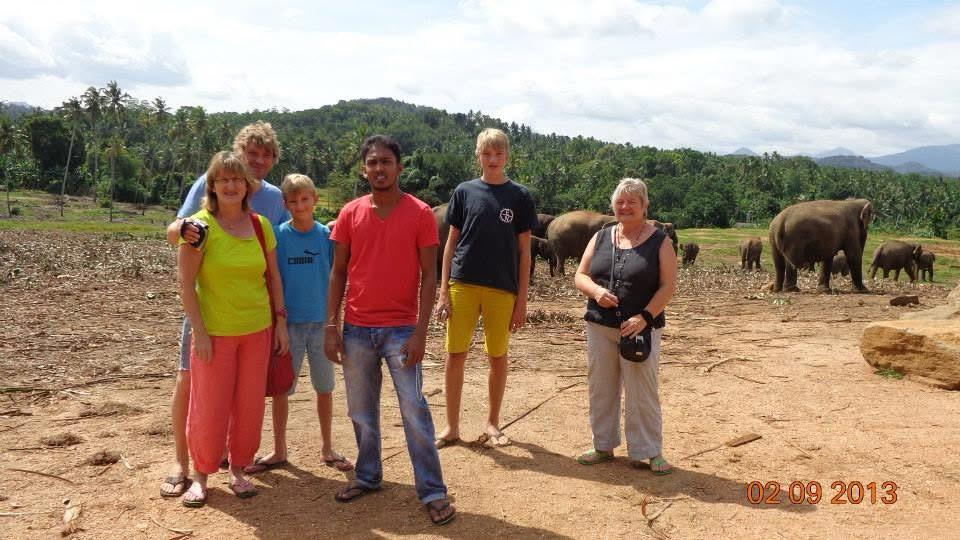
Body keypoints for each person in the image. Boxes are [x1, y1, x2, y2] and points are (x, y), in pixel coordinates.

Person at [324, 135, 455, 526]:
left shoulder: (419, 214)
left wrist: (420, 333)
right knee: (360, 411)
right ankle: (367, 476)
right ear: (364, 169)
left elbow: (429, 276)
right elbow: (338, 272)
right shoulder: (350, 213)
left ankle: (432, 491)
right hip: (357, 329)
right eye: (372, 162)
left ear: (399, 167)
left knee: (415, 410)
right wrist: (331, 325)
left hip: (401, 330)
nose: (379, 168)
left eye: (386, 161)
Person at [160, 121, 289, 498]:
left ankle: (237, 466)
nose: (258, 161)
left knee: (248, 403)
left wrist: (281, 321)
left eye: (265, 155)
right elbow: (180, 254)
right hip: (211, 325)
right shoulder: (200, 223)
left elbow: (275, 271)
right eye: (251, 154)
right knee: (201, 397)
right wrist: (199, 331)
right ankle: (192, 469)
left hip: (256, 326)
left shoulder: (267, 212)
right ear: (213, 185)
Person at [243, 173, 353, 474]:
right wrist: (277, 323)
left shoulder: (326, 237)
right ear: (285, 204)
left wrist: (335, 324)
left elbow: (337, 281)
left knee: (325, 387)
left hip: (321, 325)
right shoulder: (278, 236)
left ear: (315, 199)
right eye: (293, 201)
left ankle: (327, 447)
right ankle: (279, 449)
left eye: (305, 199)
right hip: (288, 326)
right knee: (282, 389)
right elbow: (271, 278)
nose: (300, 205)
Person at [434, 128, 536, 448]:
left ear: (507, 156)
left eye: (498, 154)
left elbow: (524, 252)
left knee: (497, 355)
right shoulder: (464, 192)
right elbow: (450, 245)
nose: (493, 159)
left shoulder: (520, 196)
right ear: (478, 155)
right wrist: (443, 292)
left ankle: (493, 423)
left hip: (502, 290)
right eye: (487, 154)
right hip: (462, 284)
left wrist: (522, 301)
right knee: (455, 353)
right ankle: (451, 427)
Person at [573, 177, 676, 474]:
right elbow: (581, 275)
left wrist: (645, 317)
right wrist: (596, 292)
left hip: (640, 329)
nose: (625, 206)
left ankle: (649, 451)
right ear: (613, 206)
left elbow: (668, 286)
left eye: (632, 201)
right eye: (620, 201)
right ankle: (603, 446)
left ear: (644, 206)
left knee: (642, 390)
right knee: (601, 387)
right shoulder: (601, 237)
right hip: (600, 326)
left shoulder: (660, 241)